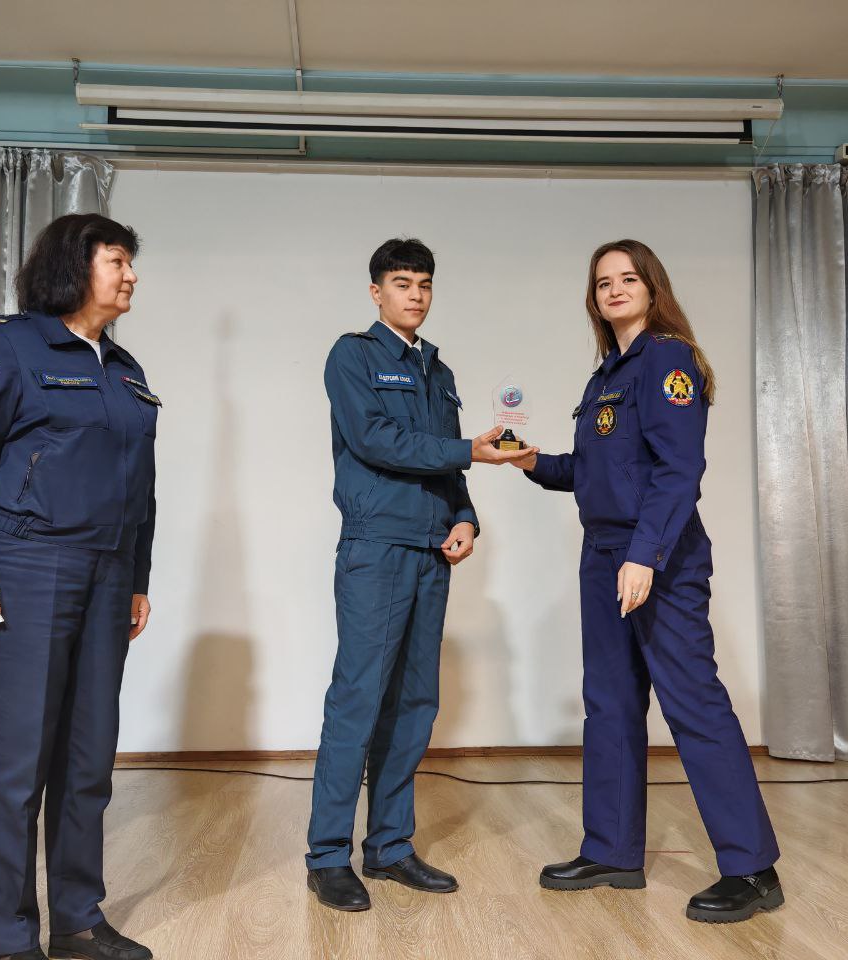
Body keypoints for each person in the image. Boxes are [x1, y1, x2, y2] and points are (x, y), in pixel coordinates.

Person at [512, 239, 783, 923]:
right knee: (608, 704)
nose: (615, 289)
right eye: (603, 281)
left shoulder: (667, 359)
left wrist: (646, 555)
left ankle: (753, 869)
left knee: (693, 704)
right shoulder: (605, 375)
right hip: (603, 554)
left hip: (657, 555)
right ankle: (612, 851)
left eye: (628, 278)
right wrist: (532, 461)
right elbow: (596, 471)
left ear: (652, 288)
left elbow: (678, 469)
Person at [0, 214, 158, 960]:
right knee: (18, 766)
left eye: (130, 263)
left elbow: (142, 488)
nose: (130, 275)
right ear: (75, 265)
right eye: (117, 261)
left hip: (108, 575)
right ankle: (9, 937)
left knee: (88, 763)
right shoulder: (8, 346)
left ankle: (79, 921)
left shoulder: (125, 368)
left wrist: (137, 578)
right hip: (28, 569)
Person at [305, 238, 536, 911]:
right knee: (359, 698)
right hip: (377, 548)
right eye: (402, 283)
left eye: (425, 284)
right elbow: (375, 439)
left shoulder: (437, 368)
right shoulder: (352, 356)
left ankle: (389, 847)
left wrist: (465, 515)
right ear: (376, 292)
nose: (415, 295)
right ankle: (327, 857)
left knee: (414, 703)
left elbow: (446, 463)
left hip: (433, 551)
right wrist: (469, 450)